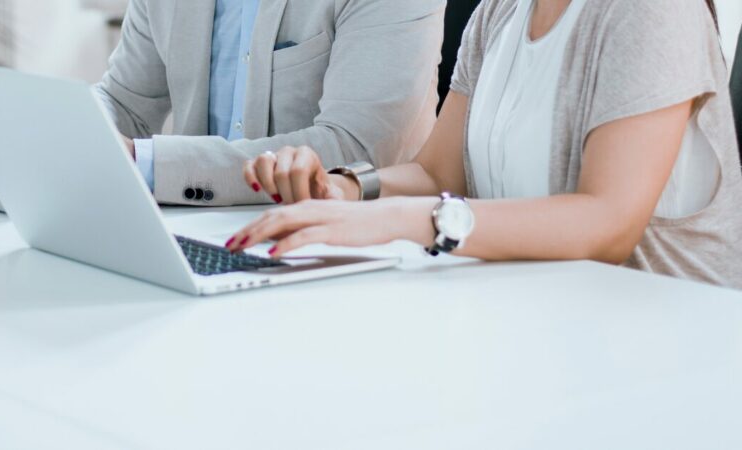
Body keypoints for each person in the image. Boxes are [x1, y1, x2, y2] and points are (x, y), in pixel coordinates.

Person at [227, 0, 742, 289]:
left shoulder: (652, 10)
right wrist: (344, 189)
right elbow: (437, 174)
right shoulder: (500, 9)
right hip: (537, 322)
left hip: (666, 350)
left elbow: (608, 226)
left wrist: (410, 219)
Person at [95, 0, 444, 206]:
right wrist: (74, 125)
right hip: (194, 231)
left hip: (347, 252)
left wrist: (150, 164)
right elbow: (124, 103)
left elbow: (356, 148)